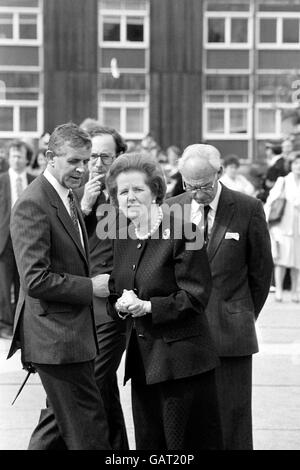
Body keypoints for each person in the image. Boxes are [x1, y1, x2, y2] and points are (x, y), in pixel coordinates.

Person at [105, 153, 223, 450]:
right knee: (149, 444)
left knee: (181, 446)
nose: (129, 197)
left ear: (156, 192)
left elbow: (195, 296)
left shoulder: (185, 232)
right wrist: (120, 305)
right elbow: (119, 290)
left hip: (181, 365)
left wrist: (148, 307)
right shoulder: (122, 235)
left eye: (137, 190)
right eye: (122, 192)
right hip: (144, 365)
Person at [7, 123, 110, 450]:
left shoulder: (66, 196)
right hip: (57, 339)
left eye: (87, 160)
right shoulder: (33, 203)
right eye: (74, 161)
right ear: (50, 157)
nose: (82, 168)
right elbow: (36, 279)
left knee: (56, 426)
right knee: (88, 429)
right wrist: (91, 287)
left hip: (70, 335)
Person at [167, 144, 273, 450]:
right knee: (189, 420)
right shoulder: (171, 208)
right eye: (190, 185)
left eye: (204, 185)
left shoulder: (247, 207)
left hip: (231, 331)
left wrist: (241, 312)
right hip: (183, 331)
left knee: (233, 419)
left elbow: (261, 272)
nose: (197, 193)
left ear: (220, 173)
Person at [76, 125, 129, 450]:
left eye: (104, 156)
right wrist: (83, 206)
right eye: (92, 156)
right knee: (103, 385)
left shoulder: (131, 192)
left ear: (118, 158)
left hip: (115, 301)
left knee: (91, 381)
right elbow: (62, 241)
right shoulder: (77, 190)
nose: (97, 163)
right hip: (83, 299)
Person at [0, 140, 35, 340]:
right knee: (4, 286)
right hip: (4, 241)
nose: (16, 159)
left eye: (19, 155)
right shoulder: (2, 180)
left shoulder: (34, 180)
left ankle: (21, 324)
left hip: (27, 240)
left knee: (24, 283)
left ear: (27, 159)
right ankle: (4, 324)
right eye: (12, 155)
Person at [264, 153, 300, 303]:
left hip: (298, 226)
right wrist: (267, 223)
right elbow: (271, 202)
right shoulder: (283, 181)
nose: (298, 166)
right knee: (281, 260)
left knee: (297, 262)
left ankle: (294, 291)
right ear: (291, 165)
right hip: (282, 226)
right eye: (296, 163)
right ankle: (278, 290)